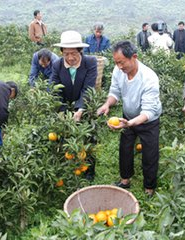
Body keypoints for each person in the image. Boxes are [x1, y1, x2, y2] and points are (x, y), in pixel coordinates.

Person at [97, 41, 162, 196]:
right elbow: (115, 92)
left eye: (122, 62)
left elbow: (148, 111)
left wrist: (130, 124)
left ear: (134, 57)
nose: (119, 66)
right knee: (125, 148)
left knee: (150, 153)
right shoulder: (118, 70)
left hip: (148, 120)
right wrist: (107, 104)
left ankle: (149, 187)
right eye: (116, 62)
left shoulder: (149, 77)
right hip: (128, 116)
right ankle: (125, 180)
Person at [51, 30, 97, 180]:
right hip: (65, 104)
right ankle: (69, 169)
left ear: (81, 51)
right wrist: (62, 111)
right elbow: (54, 89)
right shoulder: (57, 65)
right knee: (65, 137)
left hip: (85, 104)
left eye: (73, 54)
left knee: (89, 137)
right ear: (62, 52)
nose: (70, 58)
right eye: (66, 54)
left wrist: (80, 108)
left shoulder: (90, 62)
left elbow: (88, 88)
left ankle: (89, 171)